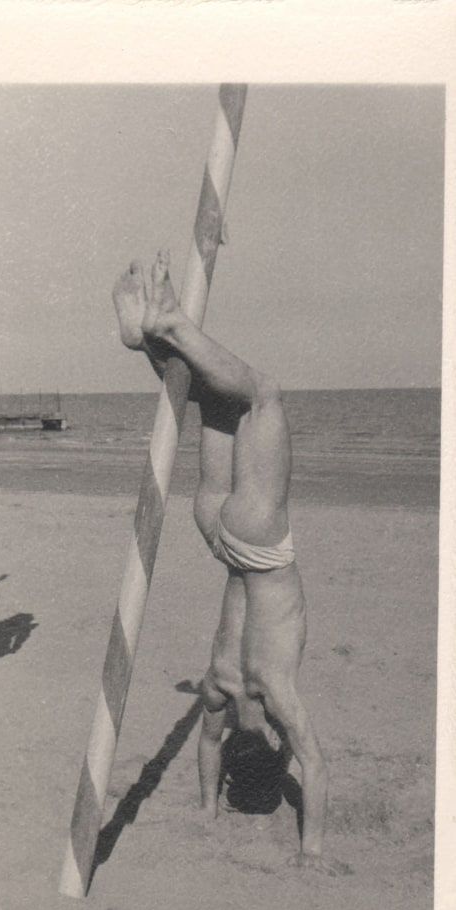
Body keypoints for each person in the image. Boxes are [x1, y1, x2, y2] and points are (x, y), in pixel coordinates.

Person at [112, 250, 349, 875]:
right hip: (220, 537)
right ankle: (152, 339)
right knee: (222, 402)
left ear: (266, 747)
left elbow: (315, 766)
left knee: (258, 396)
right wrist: (211, 807)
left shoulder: (271, 694)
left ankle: (162, 331)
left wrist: (312, 845)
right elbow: (211, 746)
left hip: (259, 548)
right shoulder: (220, 685)